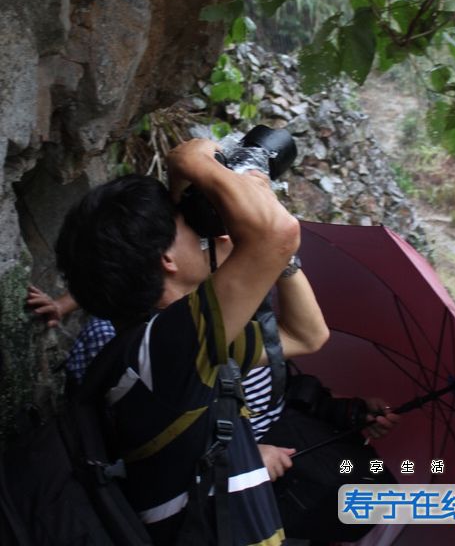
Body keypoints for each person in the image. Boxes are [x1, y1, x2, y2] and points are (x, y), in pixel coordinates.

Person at [47, 138, 330, 546]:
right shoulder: (163, 349)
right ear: (167, 258)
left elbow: (306, 335)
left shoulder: (175, 350)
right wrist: (191, 159)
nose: (210, 232)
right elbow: (278, 231)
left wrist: (280, 257)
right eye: (189, 224)